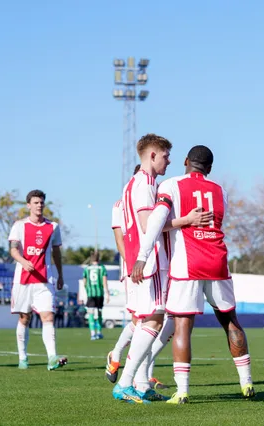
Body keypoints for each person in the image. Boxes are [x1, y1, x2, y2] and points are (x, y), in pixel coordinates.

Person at [132, 145, 256, 404]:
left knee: (182, 326)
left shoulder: (171, 185)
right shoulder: (219, 190)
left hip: (188, 263)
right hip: (217, 259)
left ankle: (183, 391)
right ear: (209, 168)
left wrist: (142, 256)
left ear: (186, 161)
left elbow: (156, 220)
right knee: (230, 320)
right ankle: (246, 383)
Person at [111, 134, 173, 404]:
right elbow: (150, 225)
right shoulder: (146, 183)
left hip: (137, 262)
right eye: (165, 155)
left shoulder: (131, 184)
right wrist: (186, 220)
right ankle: (125, 383)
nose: (168, 160)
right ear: (152, 155)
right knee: (154, 320)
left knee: (144, 321)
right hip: (149, 262)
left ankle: (141, 383)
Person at [8, 189, 67, 370]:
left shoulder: (53, 227)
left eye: (41, 202)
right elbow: (13, 249)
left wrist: (60, 275)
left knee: (48, 316)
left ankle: (52, 358)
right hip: (23, 280)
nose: (39, 205)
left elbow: (56, 253)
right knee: (24, 318)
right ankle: (23, 358)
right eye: (35, 202)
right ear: (28, 205)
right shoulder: (19, 225)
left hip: (44, 280)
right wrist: (23, 262)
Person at [83, 252, 109, 340]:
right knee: (99, 312)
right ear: (99, 258)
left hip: (90, 294)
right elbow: (104, 281)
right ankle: (99, 332)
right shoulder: (102, 268)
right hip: (99, 294)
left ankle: (92, 334)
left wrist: (87, 290)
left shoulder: (87, 268)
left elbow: (84, 282)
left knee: (91, 313)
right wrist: (107, 293)